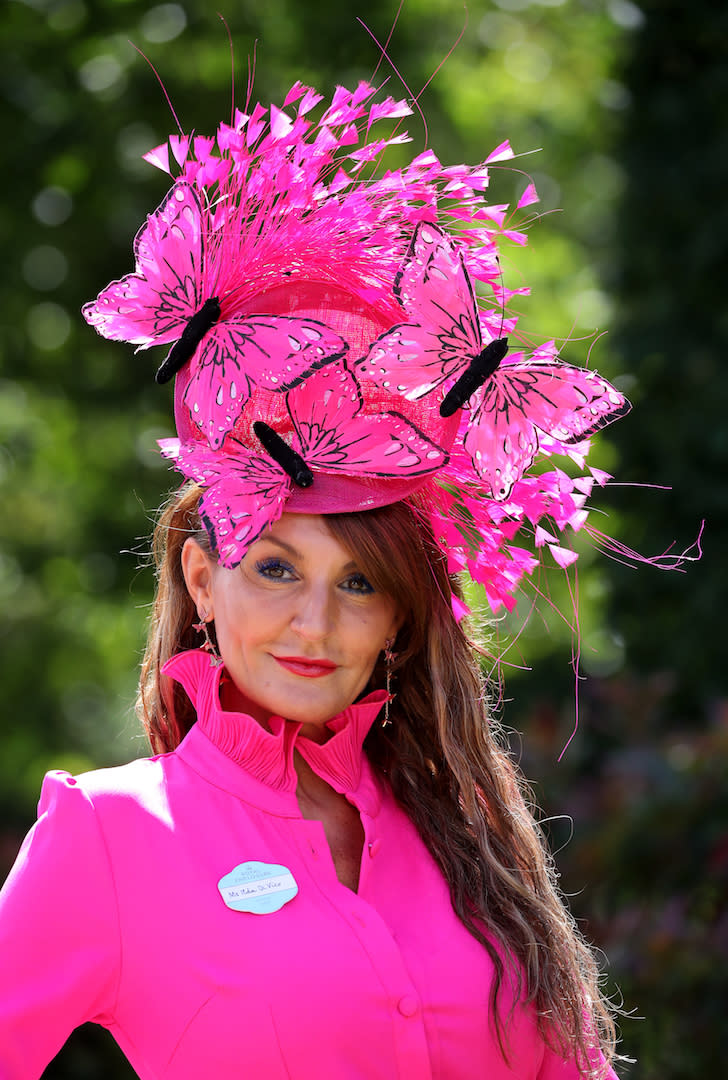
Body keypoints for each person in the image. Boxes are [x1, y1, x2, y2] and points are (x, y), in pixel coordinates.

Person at [0, 77, 630, 1078]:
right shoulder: (108, 834)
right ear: (203, 583)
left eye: (359, 585)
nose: (312, 623)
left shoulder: (466, 836)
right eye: (276, 568)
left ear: (399, 620)